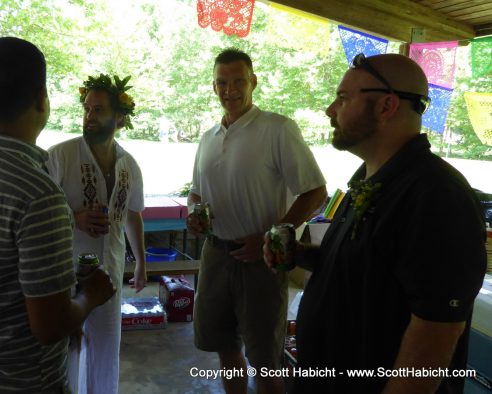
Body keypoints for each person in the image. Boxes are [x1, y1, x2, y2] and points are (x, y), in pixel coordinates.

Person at [263, 53, 487, 393]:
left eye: (343, 97)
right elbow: (362, 268)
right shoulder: (369, 180)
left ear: (387, 106)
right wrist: (298, 254)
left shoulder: (436, 195)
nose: (329, 110)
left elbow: (435, 335)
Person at [0, 37, 116, 393]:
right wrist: (89, 297)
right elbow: (49, 327)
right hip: (23, 382)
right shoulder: (38, 194)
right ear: (42, 99)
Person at [187, 48, 327, 394]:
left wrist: (270, 236)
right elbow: (196, 193)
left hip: (262, 260)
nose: (229, 89)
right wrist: (195, 213)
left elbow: (315, 192)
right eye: (221, 82)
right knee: (224, 346)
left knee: (265, 357)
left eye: (238, 81)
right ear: (213, 86)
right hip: (216, 254)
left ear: (254, 82)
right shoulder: (208, 138)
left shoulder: (277, 129)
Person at [47, 73, 146, 394]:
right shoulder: (60, 156)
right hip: (64, 273)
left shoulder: (129, 165)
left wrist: (141, 263)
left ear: (119, 117)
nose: (89, 117)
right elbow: (37, 210)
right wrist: (74, 216)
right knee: (67, 350)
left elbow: (133, 215)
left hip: (111, 272)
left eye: (99, 110)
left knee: (106, 349)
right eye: (87, 109)